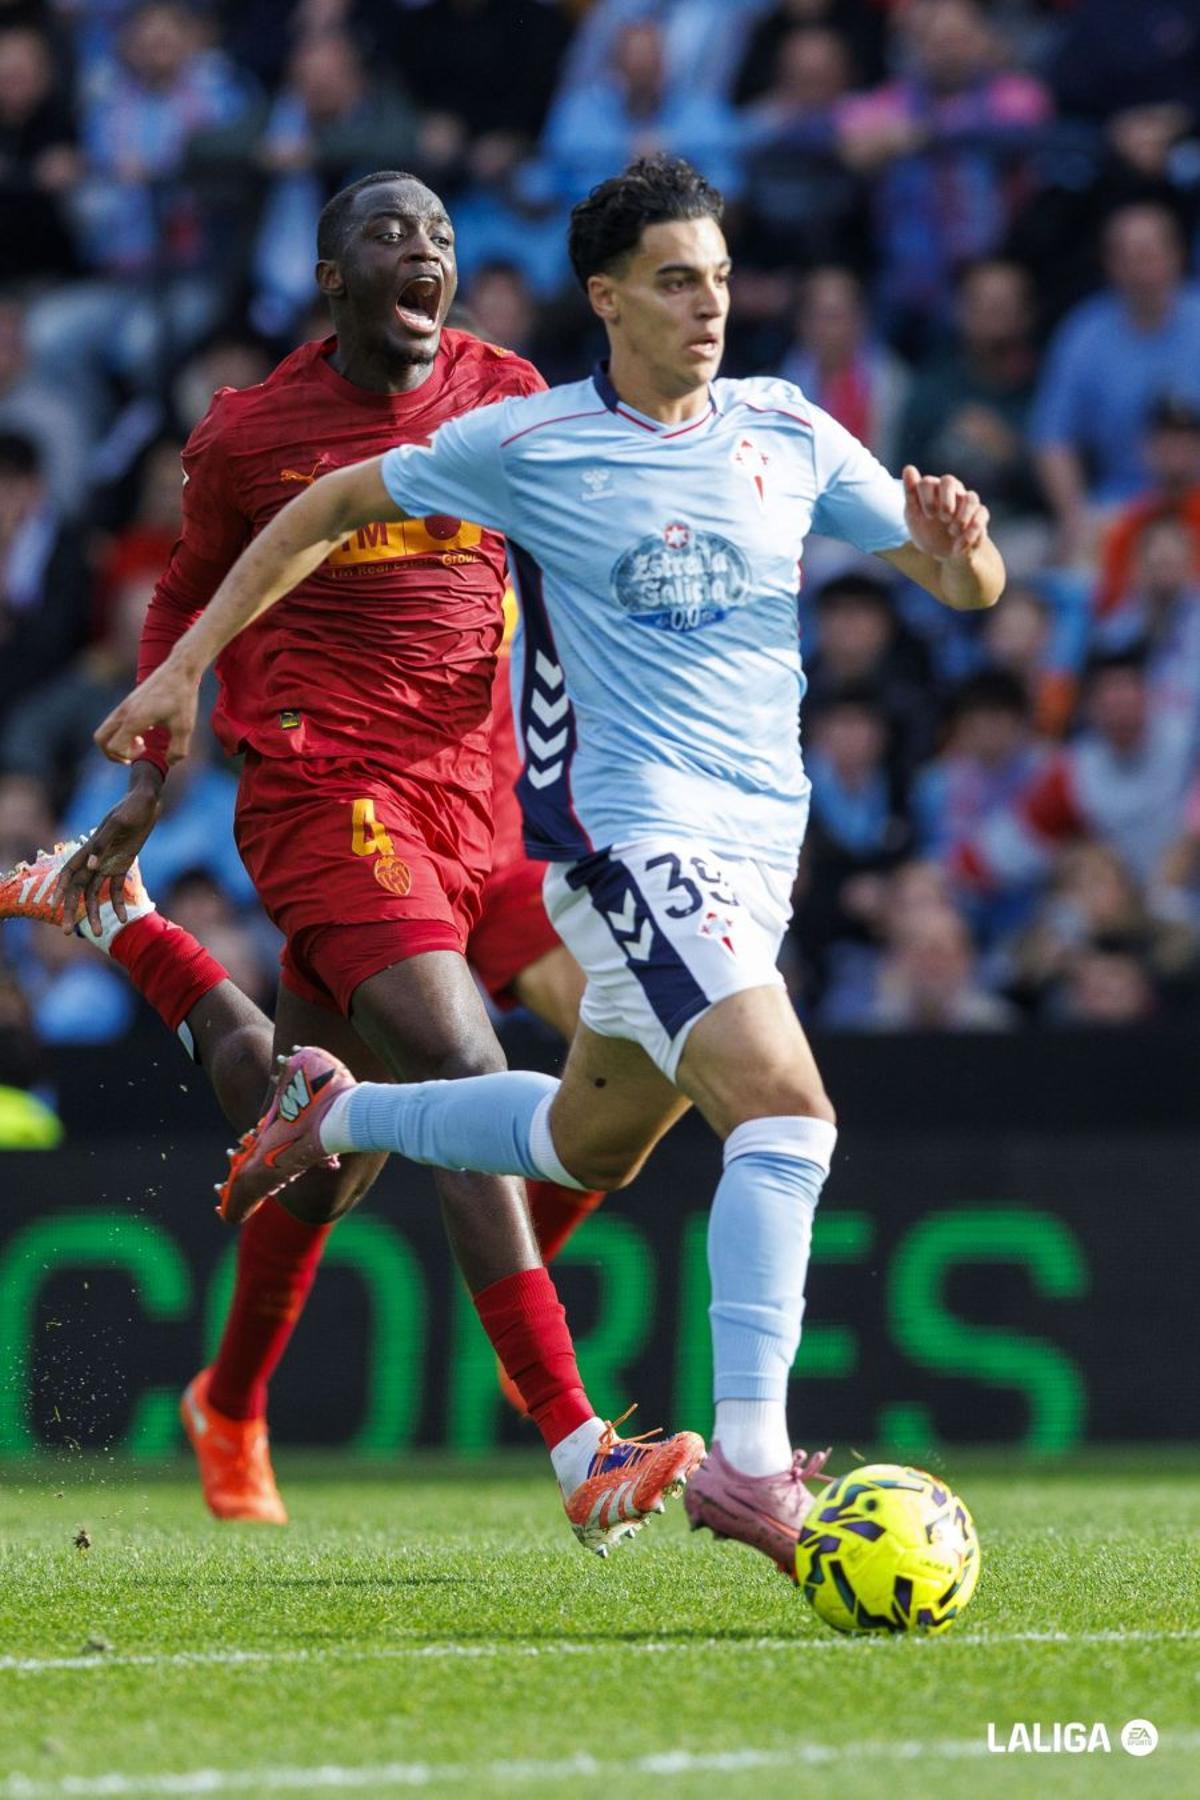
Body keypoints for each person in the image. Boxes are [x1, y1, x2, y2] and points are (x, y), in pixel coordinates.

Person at [94, 155, 1005, 1580]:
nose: (708, 305)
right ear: (610, 300)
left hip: (586, 822)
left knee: (590, 1138)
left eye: (717, 276)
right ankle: (684, 1461)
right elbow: (297, 522)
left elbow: (961, 584)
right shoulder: (495, 435)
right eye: (674, 281)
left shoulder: (754, 422)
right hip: (501, 816)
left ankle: (319, 1120)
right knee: (779, 1107)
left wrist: (964, 555)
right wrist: (181, 684)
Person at [2, 167, 701, 1551]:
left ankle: (230, 1391)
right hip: (327, 794)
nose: (424, 250)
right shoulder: (254, 435)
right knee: (461, 1069)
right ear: (335, 278)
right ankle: (574, 1441)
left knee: (346, 1136)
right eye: (390, 231)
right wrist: (149, 785)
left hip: (489, 816)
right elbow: (180, 605)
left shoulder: (506, 388)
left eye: (440, 234)